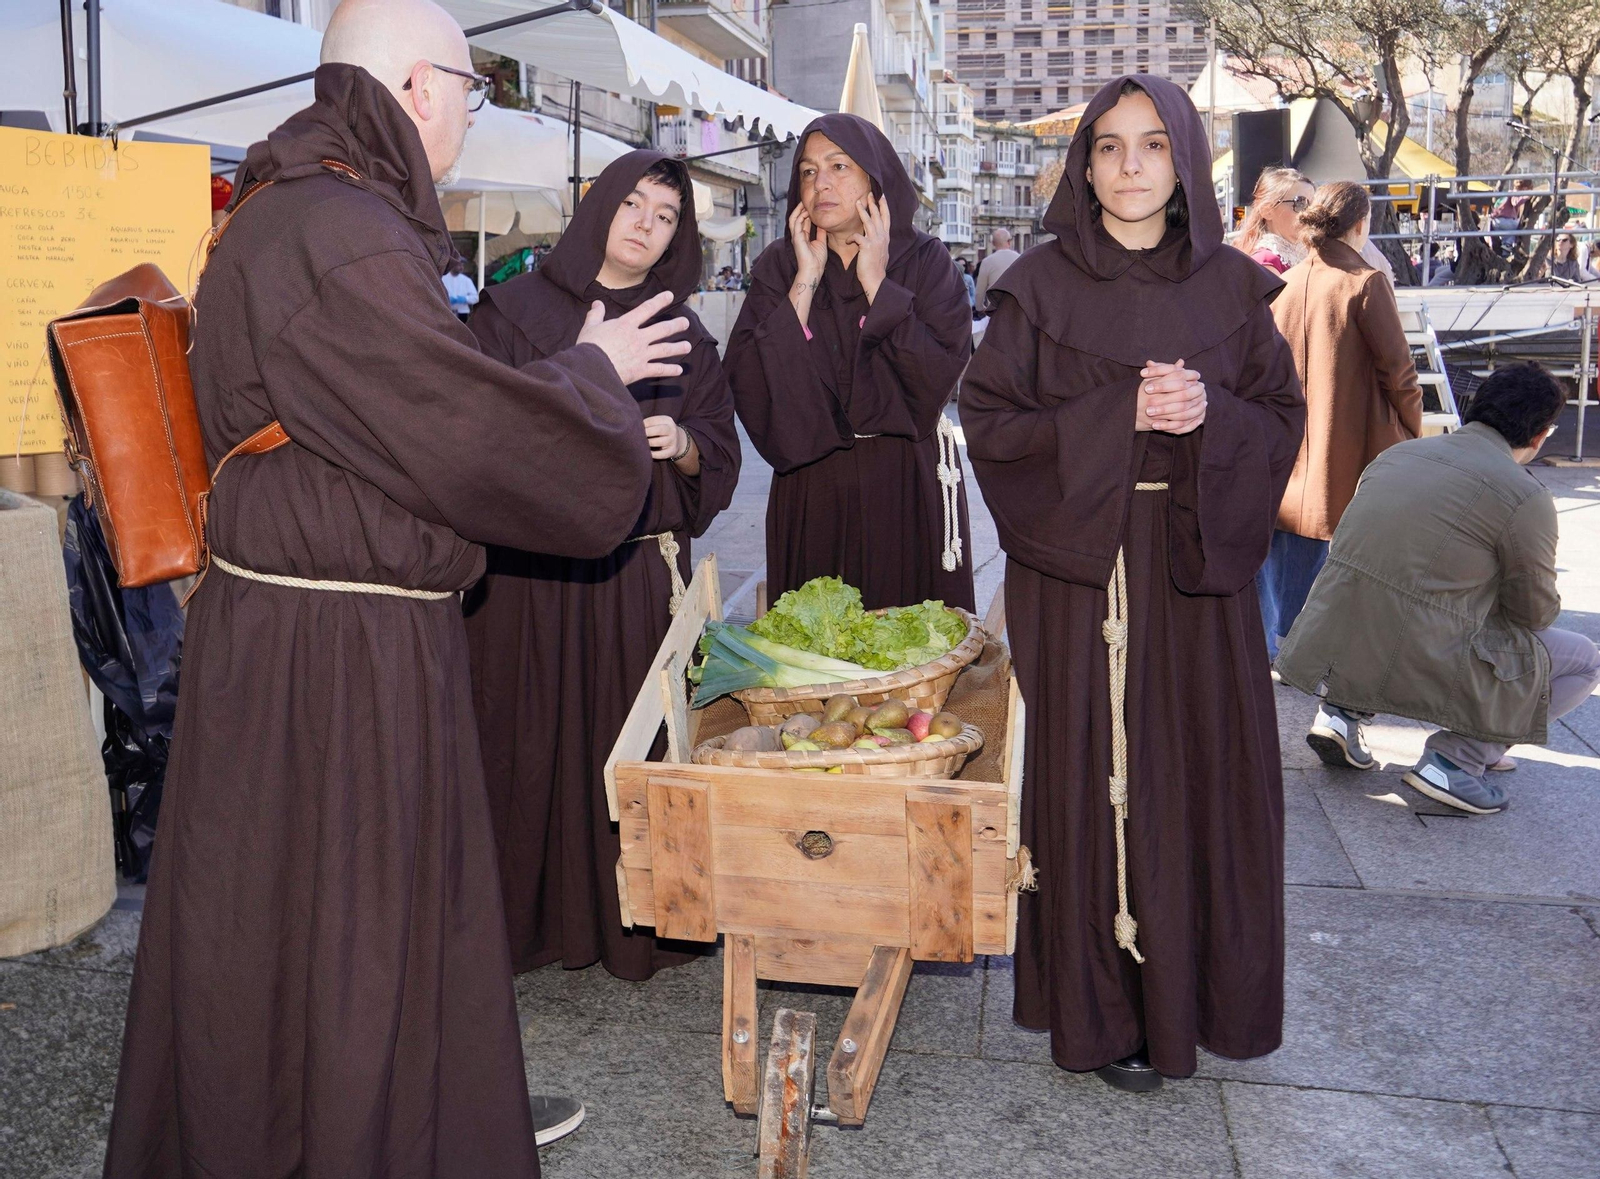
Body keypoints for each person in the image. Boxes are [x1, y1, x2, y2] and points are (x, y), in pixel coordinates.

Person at [100, 1, 693, 1175]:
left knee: (295, 918)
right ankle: (350, 1136)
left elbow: (391, 407)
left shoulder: (295, 210)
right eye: (472, 90)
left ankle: (340, 1117)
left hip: (304, 625)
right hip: (332, 652)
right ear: (418, 88)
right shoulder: (343, 228)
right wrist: (592, 373)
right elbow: (459, 431)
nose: (472, 115)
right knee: (353, 915)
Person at [962, 75, 1304, 1092]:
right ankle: (1101, 1008)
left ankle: (1194, 998)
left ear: (1185, 161)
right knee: (1088, 778)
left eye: (1151, 146)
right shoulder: (1035, 287)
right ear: (1083, 166)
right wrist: (1117, 417)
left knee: (1194, 773)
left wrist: (1211, 418)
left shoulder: (1236, 291)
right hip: (1077, 575)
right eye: (1107, 147)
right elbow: (992, 428)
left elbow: (1280, 420)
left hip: (1194, 570)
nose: (1127, 167)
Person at [463, 150, 741, 980]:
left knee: (628, 757)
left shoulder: (683, 329)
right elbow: (475, 431)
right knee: (527, 749)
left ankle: (634, 926)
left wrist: (685, 447)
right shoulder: (512, 312)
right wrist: (575, 381)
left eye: (665, 217)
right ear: (599, 209)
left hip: (631, 582)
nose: (646, 226)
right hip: (528, 583)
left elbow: (721, 444)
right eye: (634, 205)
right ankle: (525, 922)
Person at [1277, 362, 1600, 814]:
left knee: (1390, 596)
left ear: (1474, 410)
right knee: (1585, 660)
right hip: (1423, 655)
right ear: (1541, 435)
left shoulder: (1397, 455)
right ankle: (1457, 759)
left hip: (1337, 641)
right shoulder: (1524, 495)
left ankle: (1340, 716)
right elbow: (1533, 614)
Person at [724, 113, 976, 611]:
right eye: (809, 171)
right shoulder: (779, 264)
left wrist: (878, 285)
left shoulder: (926, 262)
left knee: (905, 653)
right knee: (817, 657)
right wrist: (805, 280)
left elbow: (936, 376)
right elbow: (750, 379)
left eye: (839, 166)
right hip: (811, 483)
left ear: (873, 180)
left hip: (903, 483)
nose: (821, 183)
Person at [1257, 181, 1422, 660]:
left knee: (1289, 540)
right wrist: (1411, 426)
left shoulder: (1284, 286)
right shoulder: (1365, 282)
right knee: (1345, 551)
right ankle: (1322, 652)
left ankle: (1280, 644)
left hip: (1291, 445)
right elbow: (1399, 371)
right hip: (1349, 442)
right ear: (1359, 224)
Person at [1233, 166, 1314, 274]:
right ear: (1267, 210)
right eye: (1300, 203)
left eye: (1313, 204)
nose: (1310, 212)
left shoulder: (1309, 255)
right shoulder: (1266, 261)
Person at [974, 226, 1020, 311]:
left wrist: (980, 308)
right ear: (1009, 241)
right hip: (1017, 309)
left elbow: (979, 291)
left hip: (995, 309)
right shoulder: (1020, 259)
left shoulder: (987, 262)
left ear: (993, 243)